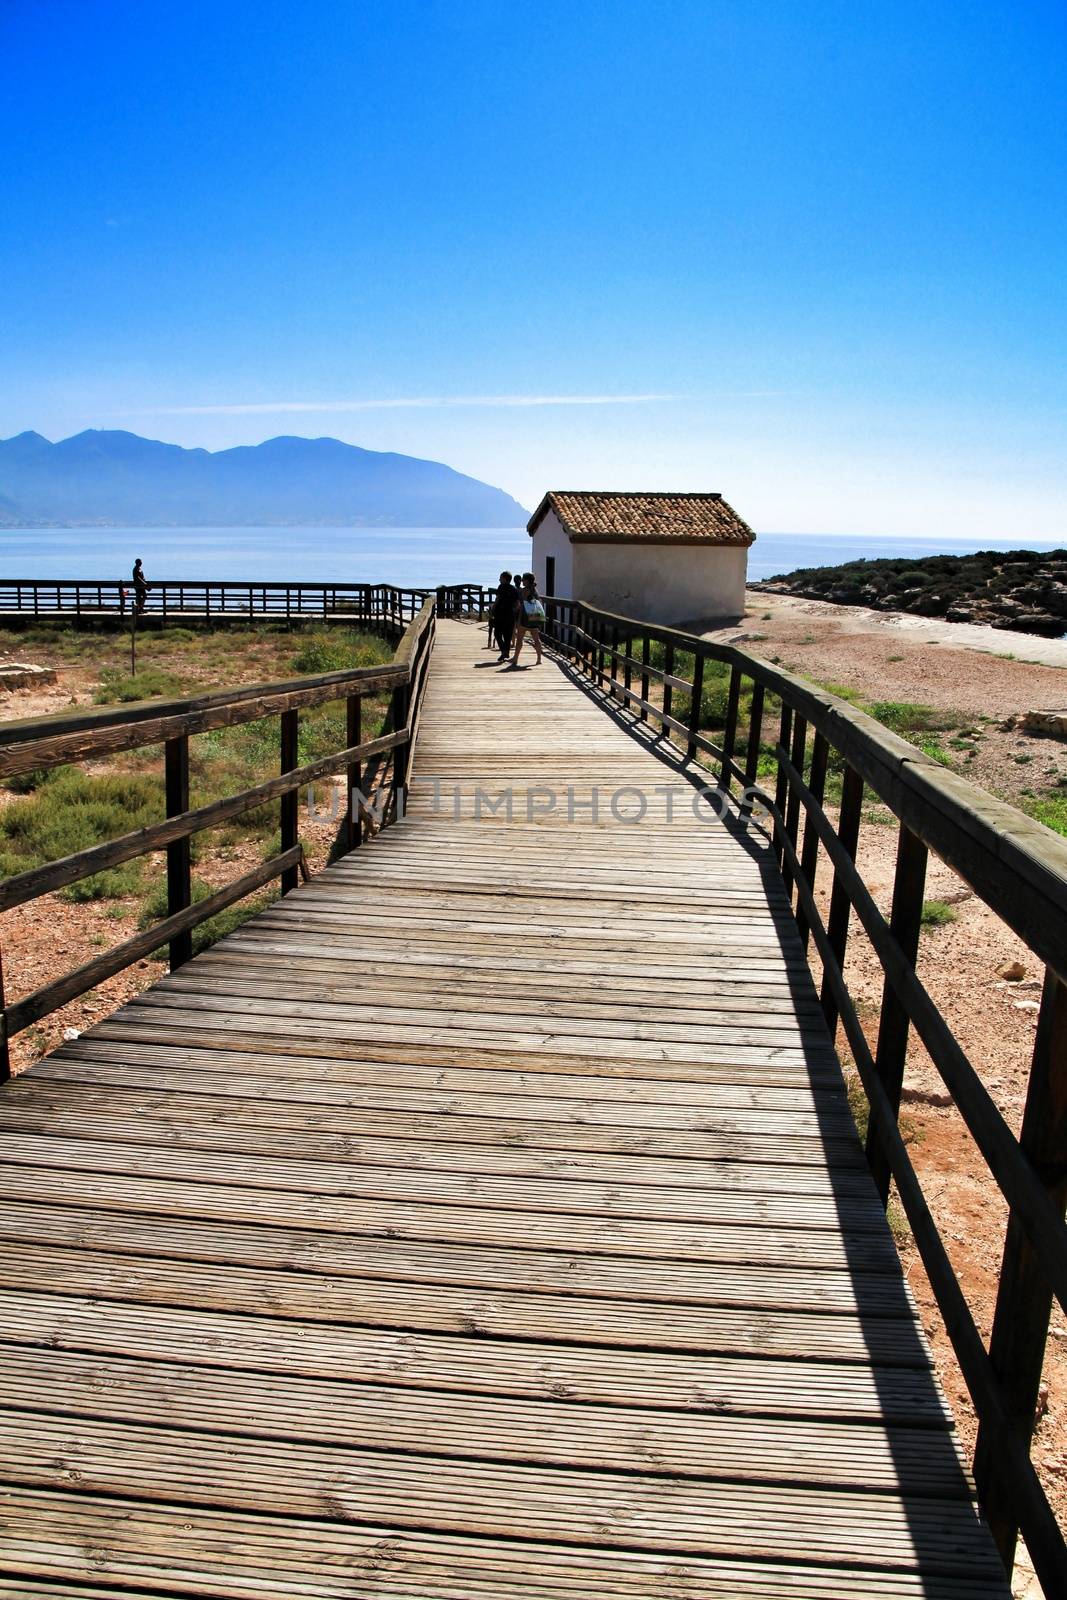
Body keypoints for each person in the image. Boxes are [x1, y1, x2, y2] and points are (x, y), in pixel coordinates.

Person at [511, 572, 545, 666]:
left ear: (527, 580)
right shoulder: (535, 590)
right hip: (534, 617)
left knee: (519, 639)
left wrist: (519, 619)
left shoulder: (525, 590)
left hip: (525, 618)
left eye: (523, 579)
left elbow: (522, 606)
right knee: (536, 639)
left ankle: (515, 658)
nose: (522, 581)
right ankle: (539, 659)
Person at [492, 570, 520, 662]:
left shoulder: (501, 587)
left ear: (504, 578)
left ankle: (504, 651)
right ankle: (506, 652)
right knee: (507, 635)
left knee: (497, 633)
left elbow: (498, 599)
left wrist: (493, 609)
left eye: (500, 578)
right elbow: (517, 603)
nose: (499, 580)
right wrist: (514, 612)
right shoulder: (514, 589)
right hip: (510, 614)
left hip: (500, 613)